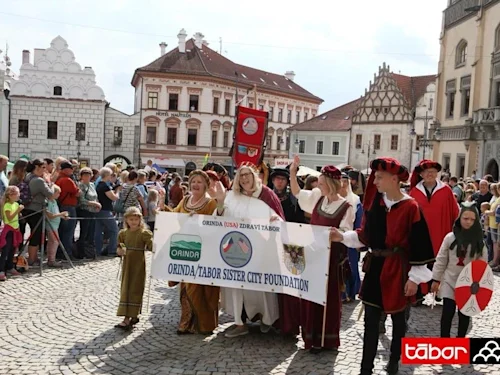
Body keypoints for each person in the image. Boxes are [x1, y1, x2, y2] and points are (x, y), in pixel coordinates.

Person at [330, 157, 435, 375]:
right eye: (374, 177)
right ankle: (365, 369)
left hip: (398, 269)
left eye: (379, 177)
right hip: (375, 266)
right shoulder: (374, 206)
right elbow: (364, 237)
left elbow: (420, 245)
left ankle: (394, 362)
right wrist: (341, 236)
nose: (374, 181)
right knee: (370, 322)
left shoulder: (410, 207)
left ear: (394, 179)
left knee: (398, 322)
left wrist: (414, 279)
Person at [289, 156, 355, 353]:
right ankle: (310, 338)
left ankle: (326, 340)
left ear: (331, 184)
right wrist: (293, 172)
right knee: (310, 298)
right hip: (313, 257)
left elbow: (346, 234)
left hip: (331, 260)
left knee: (328, 300)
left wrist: (335, 235)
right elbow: (297, 193)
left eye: (322, 183)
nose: (319, 185)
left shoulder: (346, 207)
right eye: (319, 183)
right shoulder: (318, 198)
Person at [214, 162, 284, 338]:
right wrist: (220, 202)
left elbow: (279, 220)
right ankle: (240, 322)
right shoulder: (231, 196)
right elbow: (220, 217)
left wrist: (275, 221)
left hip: (260, 250)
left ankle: (267, 319)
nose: (244, 178)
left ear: (254, 177)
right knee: (238, 287)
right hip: (236, 251)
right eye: (241, 175)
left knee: (261, 287)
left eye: (248, 175)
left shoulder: (266, 195)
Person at [171, 170, 219, 334]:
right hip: (185, 251)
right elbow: (174, 218)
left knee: (202, 290)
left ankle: (204, 324)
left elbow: (217, 225)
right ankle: (186, 322)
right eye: (193, 182)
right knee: (186, 289)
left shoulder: (210, 203)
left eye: (199, 182)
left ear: (206, 185)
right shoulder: (184, 201)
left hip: (204, 254)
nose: (196, 185)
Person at [431, 203, 487, 337]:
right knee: (447, 313)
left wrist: (479, 282)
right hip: (449, 281)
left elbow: (482, 263)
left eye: (472, 219)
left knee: (464, 315)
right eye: (465, 218)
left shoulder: (479, 242)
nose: (468, 222)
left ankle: (460, 341)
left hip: (468, 283)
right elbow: (442, 259)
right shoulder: (450, 238)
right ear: (459, 218)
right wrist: (436, 279)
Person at [409, 160, 459, 297]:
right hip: (420, 236)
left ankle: (439, 292)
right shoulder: (414, 192)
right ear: (421, 174)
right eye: (426, 172)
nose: (430, 174)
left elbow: (455, 213)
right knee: (420, 262)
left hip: (441, 234)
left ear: (437, 173)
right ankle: (419, 293)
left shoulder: (446, 191)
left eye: (433, 171)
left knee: (441, 262)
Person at [115, 207, 153, 330]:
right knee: (126, 288)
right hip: (127, 265)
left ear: (140, 220)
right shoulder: (123, 234)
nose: (133, 222)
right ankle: (126, 317)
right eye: (131, 219)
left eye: (136, 219)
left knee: (136, 288)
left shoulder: (144, 233)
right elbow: (120, 247)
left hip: (138, 265)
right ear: (126, 220)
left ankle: (134, 314)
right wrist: (120, 251)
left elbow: (152, 246)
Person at [339, 172, 362, 303]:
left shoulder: (355, 200)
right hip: (336, 239)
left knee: (351, 267)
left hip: (350, 240)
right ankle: (340, 294)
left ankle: (350, 293)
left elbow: (359, 221)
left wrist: (357, 239)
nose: (342, 185)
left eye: (345, 182)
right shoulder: (330, 199)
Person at [0, 186, 23, 281]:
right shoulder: (7, 205)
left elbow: (17, 216)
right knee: (5, 250)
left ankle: (10, 267)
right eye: (17, 194)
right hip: (8, 230)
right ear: (11, 195)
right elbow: (9, 218)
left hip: (15, 229)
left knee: (12, 250)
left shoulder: (16, 204)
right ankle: (1, 270)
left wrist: (19, 213)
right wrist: (18, 211)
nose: (19, 196)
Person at [45, 185, 69, 268]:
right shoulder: (47, 202)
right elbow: (50, 215)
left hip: (55, 224)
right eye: (58, 193)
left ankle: (51, 259)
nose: (59, 194)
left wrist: (63, 216)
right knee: (55, 241)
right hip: (51, 225)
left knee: (52, 242)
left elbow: (56, 214)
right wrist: (61, 214)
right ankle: (51, 260)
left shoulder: (54, 202)